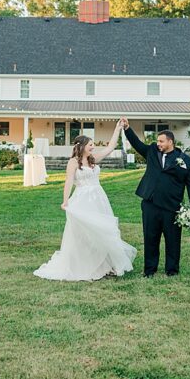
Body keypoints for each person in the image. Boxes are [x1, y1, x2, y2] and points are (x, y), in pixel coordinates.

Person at [34, 119, 137, 281]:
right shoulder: (73, 162)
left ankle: (106, 264)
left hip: (98, 198)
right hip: (83, 199)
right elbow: (68, 181)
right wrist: (65, 200)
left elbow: (110, 147)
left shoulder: (93, 159)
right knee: (85, 233)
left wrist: (118, 128)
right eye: (90, 144)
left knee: (102, 230)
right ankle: (85, 264)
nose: (93, 147)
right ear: (81, 146)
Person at [121, 117, 190, 277]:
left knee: (172, 240)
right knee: (150, 237)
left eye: (161, 141)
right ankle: (149, 270)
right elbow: (137, 144)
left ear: (170, 142)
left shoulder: (185, 161)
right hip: (150, 203)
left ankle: (172, 270)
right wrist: (127, 128)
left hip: (172, 206)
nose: (158, 143)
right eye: (158, 141)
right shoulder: (151, 151)